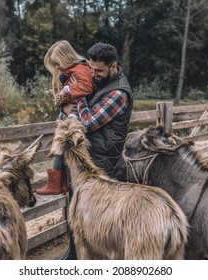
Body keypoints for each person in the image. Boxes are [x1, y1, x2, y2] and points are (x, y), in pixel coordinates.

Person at [58, 42, 134, 259]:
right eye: (90, 69)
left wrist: (79, 96)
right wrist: (65, 107)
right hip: (87, 159)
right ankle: (74, 255)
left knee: (98, 219)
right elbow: (72, 108)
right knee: (77, 210)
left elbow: (89, 122)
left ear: (113, 66)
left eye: (98, 70)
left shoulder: (119, 93)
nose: (93, 74)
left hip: (103, 164)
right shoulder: (98, 81)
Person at [36, 40, 93, 196]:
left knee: (61, 142)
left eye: (58, 63)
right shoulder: (73, 71)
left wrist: (67, 89)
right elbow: (70, 97)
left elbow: (85, 87)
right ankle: (57, 182)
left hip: (79, 115)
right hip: (71, 112)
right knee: (60, 142)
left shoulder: (80, 69)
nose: (58, 68)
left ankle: (55, 183)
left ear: (65, 58)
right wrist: (63, 105)